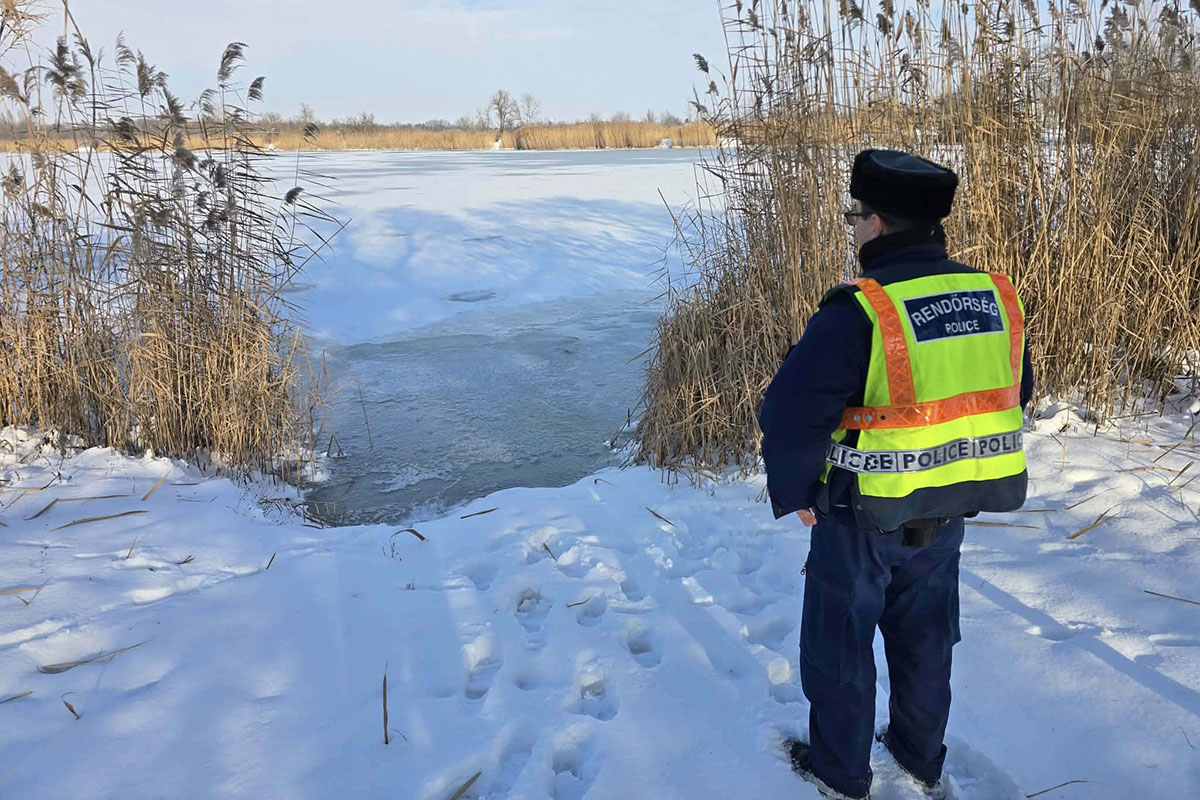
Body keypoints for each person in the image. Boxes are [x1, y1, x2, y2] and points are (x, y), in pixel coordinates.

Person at [757, 149, 1035, 799]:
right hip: (947, 508)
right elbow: (1011, 390)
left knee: (841, 646)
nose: (854, 229)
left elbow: (790, 415)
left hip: (862, 515)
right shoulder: (993, 297)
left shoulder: (862, 311)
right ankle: (917, 755)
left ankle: (840, 772)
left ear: (877, 225)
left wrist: (797, 492)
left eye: (856, 217)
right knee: (926, 641)